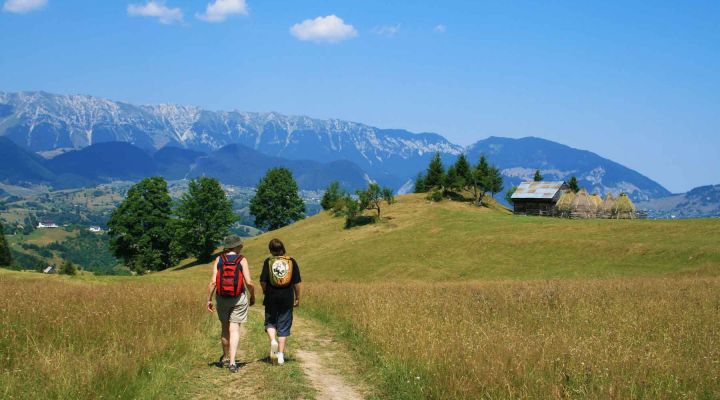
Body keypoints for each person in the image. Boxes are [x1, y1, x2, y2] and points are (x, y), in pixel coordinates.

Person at [206, 235, 255, 373]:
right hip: (238, 298)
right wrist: (253, 296)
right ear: (237, 246)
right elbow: (249, 282)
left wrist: (209, 299)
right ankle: (233, 363)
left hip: (221, 298)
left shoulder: (219, 259)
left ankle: (225, 358)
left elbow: (213, 282)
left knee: (225, 329)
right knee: (234, 330)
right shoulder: (242, 259)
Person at [260, 238, 301, 365]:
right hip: (287, 296)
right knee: (284, 323)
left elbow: (263, 281)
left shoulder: (268, 262)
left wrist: (265, 291)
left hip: (271, 295)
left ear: (271, 250)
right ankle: (281, 355)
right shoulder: (291, 261)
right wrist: (297, 297)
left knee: (270, 321)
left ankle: (273, 340)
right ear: (283, 248)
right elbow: (297, 282)